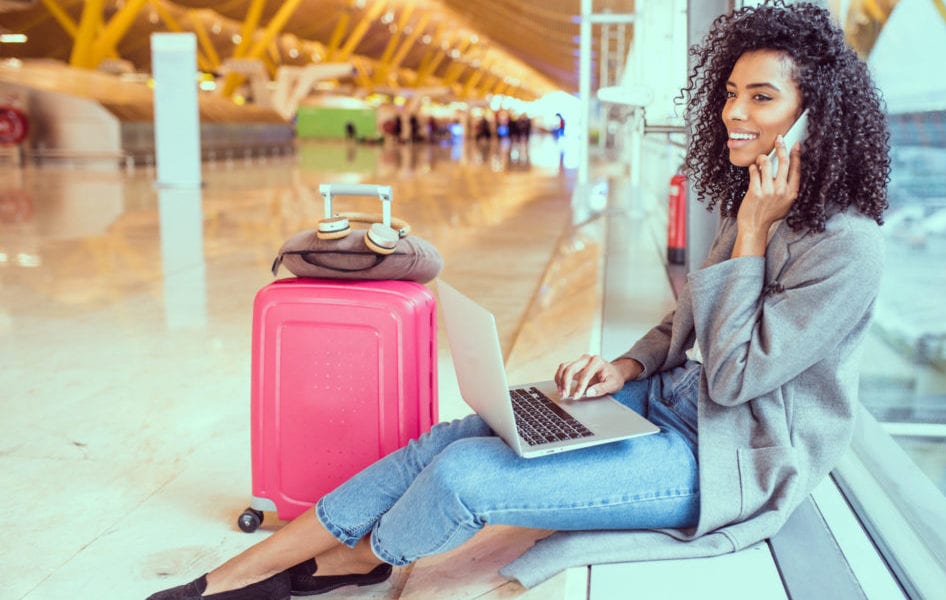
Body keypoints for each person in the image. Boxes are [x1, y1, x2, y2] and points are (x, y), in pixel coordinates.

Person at [148, 2, 890, 598]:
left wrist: (755, 237)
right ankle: (230, 577)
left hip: (731, 460)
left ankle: (360, 560)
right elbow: (687, 321)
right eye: (731, 92)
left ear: (813, 114)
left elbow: (734, 376)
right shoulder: (757, 205)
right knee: (452, 437)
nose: (734, 111)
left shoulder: (845, 246)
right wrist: (626, 369)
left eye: (762, 97)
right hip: (670, 404)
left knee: (464, 476)